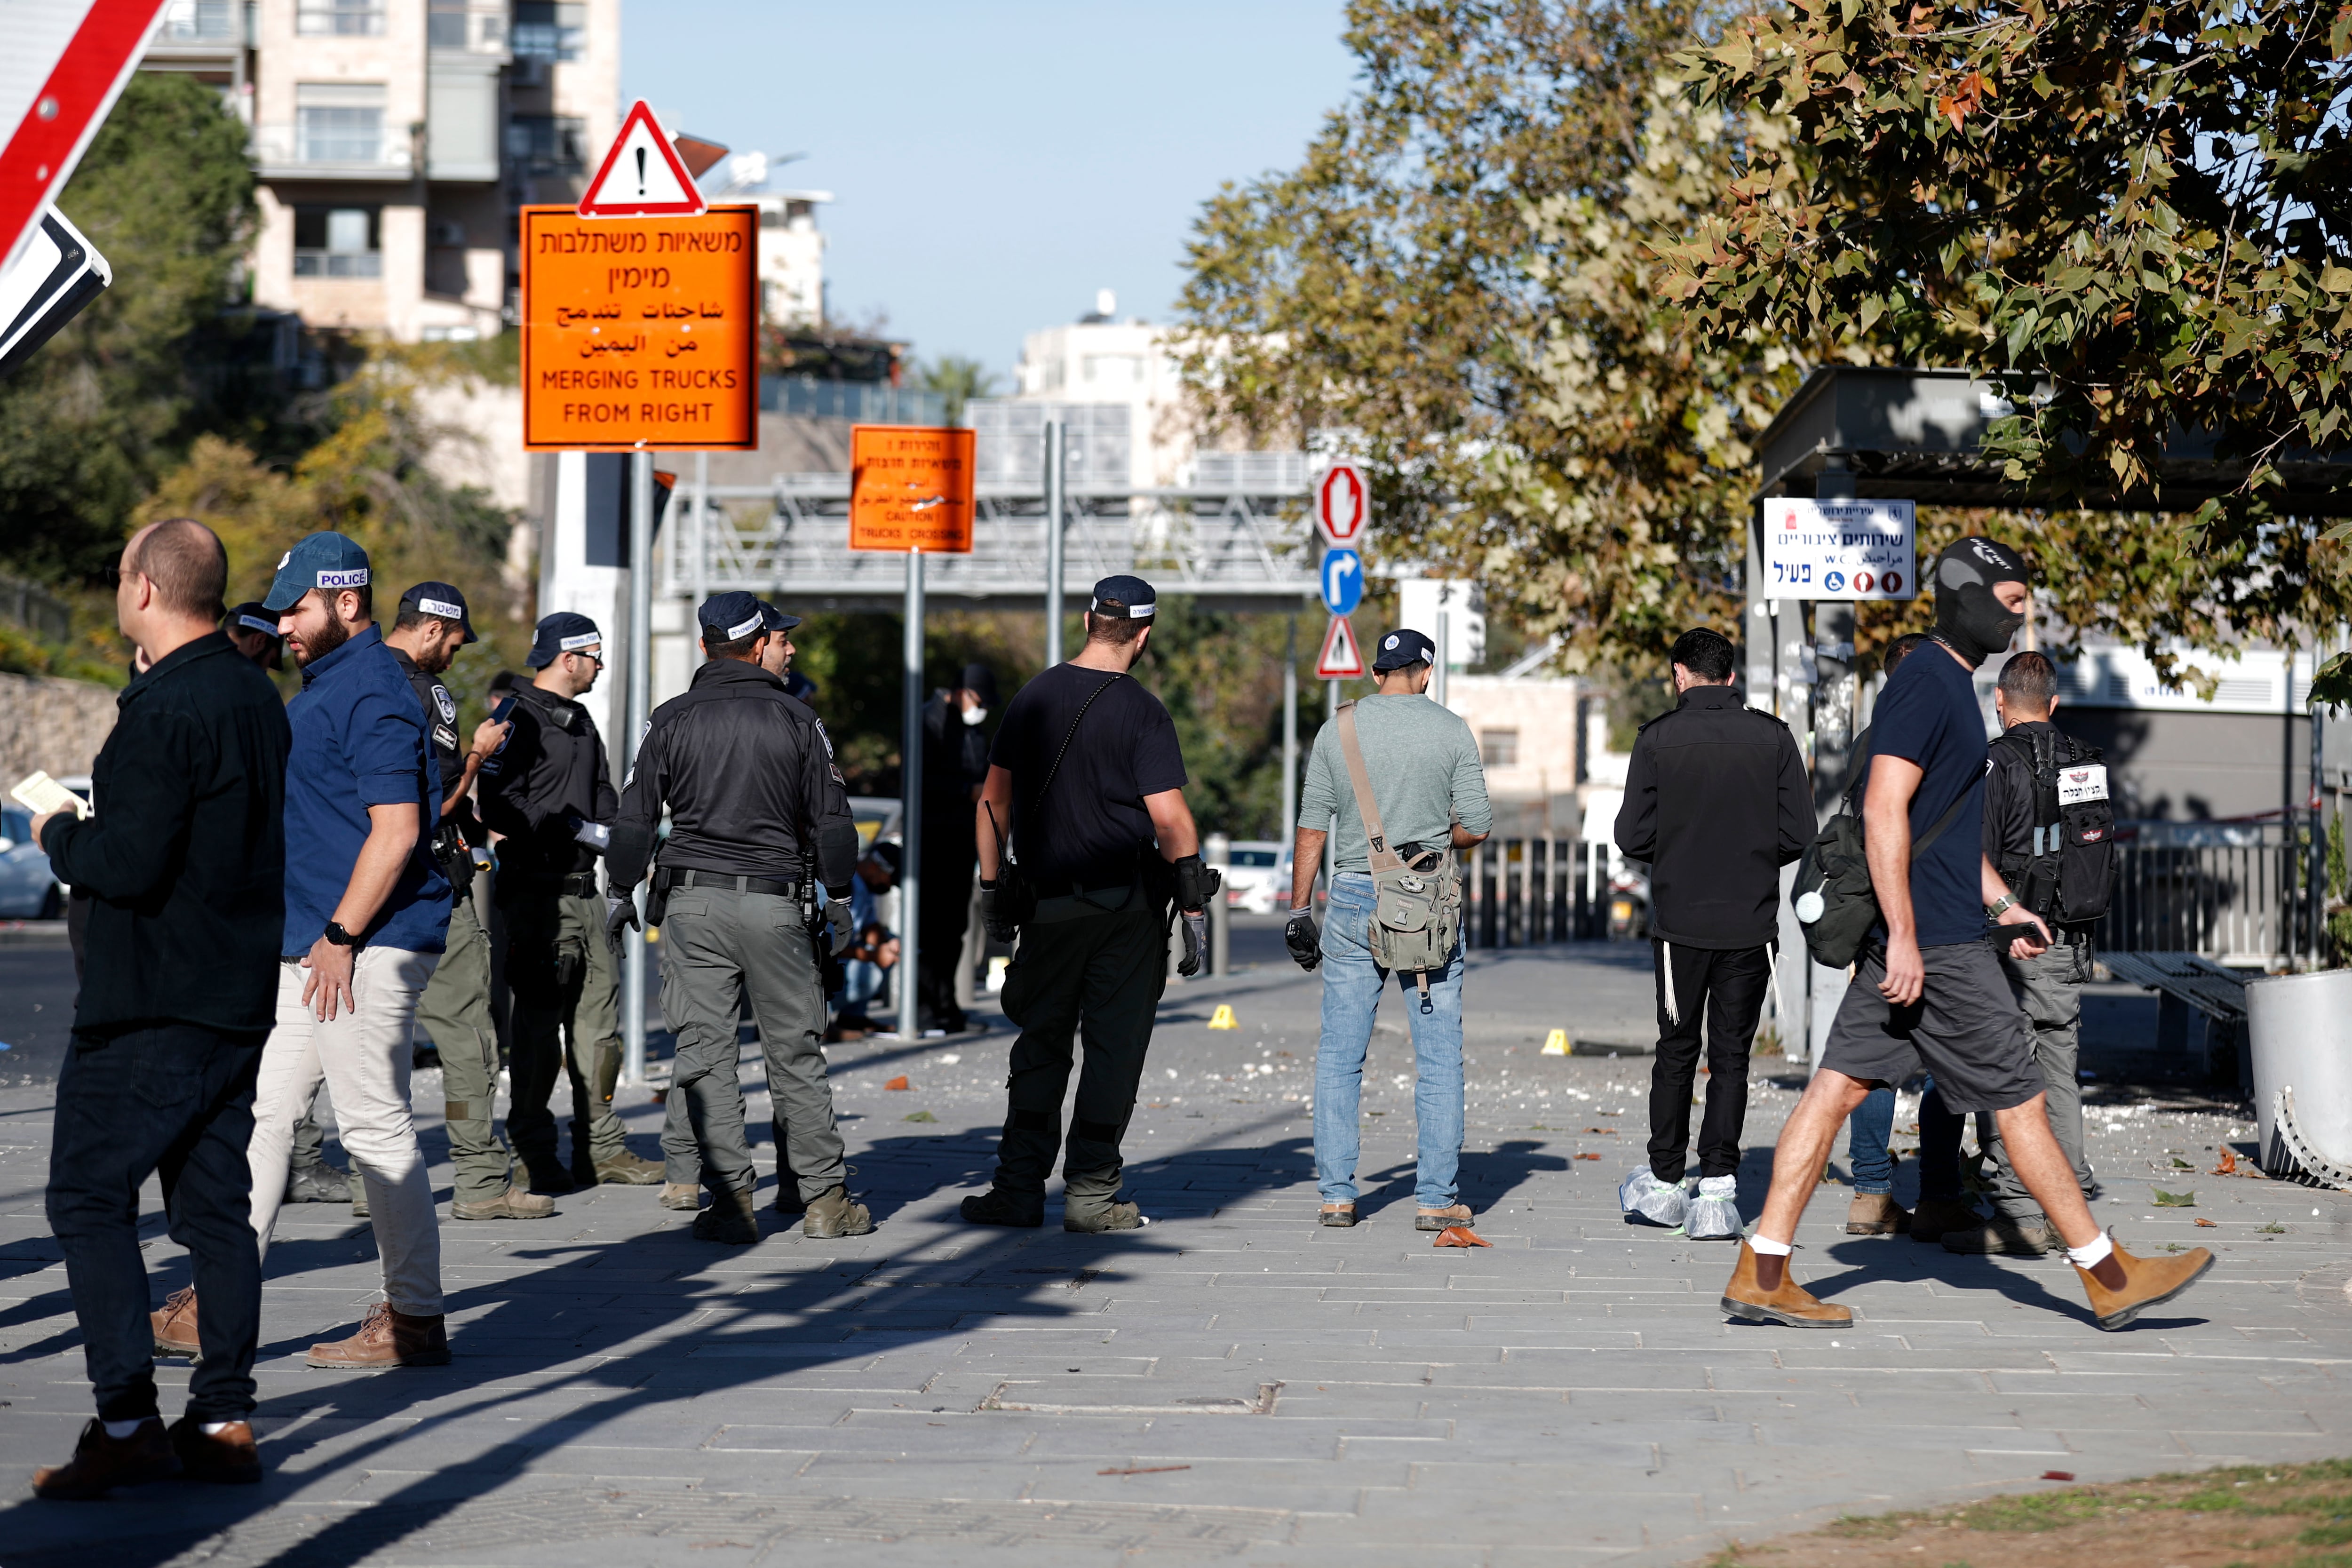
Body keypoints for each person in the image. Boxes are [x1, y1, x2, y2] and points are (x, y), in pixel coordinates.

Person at [1721, 536, 2212, 1333]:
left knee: (1833, 1090)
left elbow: (1945, 831)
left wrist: (2004, 903)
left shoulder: (1953, 684)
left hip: (1939, 930)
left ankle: (1764, 1266)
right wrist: (1910, 935)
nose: (2021, 618)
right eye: (2012, 602)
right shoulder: (1927, 683)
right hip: (1938, 949)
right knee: (2021, 1103)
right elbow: (1884, 810)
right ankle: (2111, 1276)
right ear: (1970, 596)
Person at [158, 530, 456, 1371]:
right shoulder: (328, 686)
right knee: (265, 1117)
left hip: (362, 946)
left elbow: (397, 833)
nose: (284, 622)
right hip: (316, 948)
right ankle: (216, 1306)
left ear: (347, 601)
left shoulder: (373, 692)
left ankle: (415, 1319)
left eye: (297, 607)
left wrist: (340, 937)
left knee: (374, 1124)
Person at [32, 520, 289, 1498]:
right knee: (217, 1212)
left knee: (89, 1197)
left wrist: (60, 830)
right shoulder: (254, 694)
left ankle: (129, 1419)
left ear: (143, 586)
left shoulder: (164, 712)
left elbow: (127, 864)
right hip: (234, 995)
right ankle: (224, 1418)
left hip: (149, 1002)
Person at [608, 591, 867, 1243]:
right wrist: (839, 897)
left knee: (703, 1054)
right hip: (778, 902)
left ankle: (730, 1202)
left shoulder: (668, 720)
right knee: (795, 1053)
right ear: (758, 646)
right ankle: (826, 1202)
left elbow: (634, 818)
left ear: (705, 647)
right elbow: (834, 822)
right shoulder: (798, 721)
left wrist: (618, 891)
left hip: (693, 904)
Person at [965, 574, 1217, 1233]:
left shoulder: (1033, 697)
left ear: (1087, 621)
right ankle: (1092, 1196)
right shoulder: (1142, 710)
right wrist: (1193, 913)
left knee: (1040, 1048)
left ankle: (1018, 1189)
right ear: (1145, 634)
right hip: (1124, 914)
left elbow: (992, 803)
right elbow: (1174, 824)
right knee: (1114, 1052)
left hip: (1047, 911)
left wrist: (994, 890)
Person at [1284, 627, 1491, 1230]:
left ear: (1377, 674)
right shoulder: (1450, 730)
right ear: (1425, 673)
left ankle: (1337, 1196)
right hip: (1424, 907)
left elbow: (1312, 828)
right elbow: (1476, 824)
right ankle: (1433, 1201)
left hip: (1349, 898)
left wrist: (1300, 911)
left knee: (1341, 1055)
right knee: (1437, 1058)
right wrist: (1428, 844)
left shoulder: (1337, 730)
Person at [1613, 626, 1812, 1241]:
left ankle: (1668, 1182)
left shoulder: (1657, 740)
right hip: (1750, 920)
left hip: (1681, 921)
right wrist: (1750, 854)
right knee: (1731, 1056)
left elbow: (1631, 836)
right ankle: (1719, 1191)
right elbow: (1799, 832)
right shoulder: (1773, 738)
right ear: (1730, 675)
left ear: (1680, 674)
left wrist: (1678, 849)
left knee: (1677, 1051)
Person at [478, 612, 662, 1192]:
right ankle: (534, 1150)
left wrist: (622, 839)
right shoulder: (515, 717)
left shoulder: (580, 720)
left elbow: (604, 794)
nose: (600, 665)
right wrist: (568, 829)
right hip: (538, 897)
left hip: (585, 895)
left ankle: (601, 1149)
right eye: (594, 655)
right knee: (536, 1031)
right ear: (567, 657)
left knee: (600, 1031)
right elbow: (499, 803)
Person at [386, 582, 546, 1221]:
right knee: (465, 1032)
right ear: (430, 630)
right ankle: (480, 1178)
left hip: (354, 887)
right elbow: (445, 802)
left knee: (372, 1041)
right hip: (427, 879)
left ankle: (375, 1186)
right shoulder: (431, 695)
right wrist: (478, 750)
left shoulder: (342, 679)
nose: (453, 656)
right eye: (453, 642)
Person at [1938, 648, 2104, 1255]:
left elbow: (1968, 856)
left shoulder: (1991, 762)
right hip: (2066, 941)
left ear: (1999, 702)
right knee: (2060, 1069)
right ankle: (2068, 1209)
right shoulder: (2085, 761)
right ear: (2053, 704)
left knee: (2006, 1072)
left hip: (2006, 940)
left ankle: (2017, 1211)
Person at [221, 600, 357, 1209]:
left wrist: (339, 932)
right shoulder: (262, 699)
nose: (279, 641)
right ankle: (221, 1293)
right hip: (289, 927)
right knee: (273, 1107)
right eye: (270, 635)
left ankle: (411, 1299)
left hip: (315, 932)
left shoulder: (319, 699)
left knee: (366, 1124)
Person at [916, 662, 996, 1034]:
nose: (980, 709)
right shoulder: (929, 723)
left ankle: (947, 1006)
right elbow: (920, 782)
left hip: (960, 840)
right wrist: (967, 792)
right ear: (963, 692)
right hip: (933, 840)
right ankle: (927, 1009)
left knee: (954, 928)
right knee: (932, 930)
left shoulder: (971, 729)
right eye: (978, 700)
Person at [831, 839, 901, 1039]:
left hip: (835, 953)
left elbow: (871, 925)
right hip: (815, 959)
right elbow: (827, 945)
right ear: (873, 867)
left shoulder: (863, 888)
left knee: (890, 945)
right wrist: (874, 956)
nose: (888, 885)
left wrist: (886, 944)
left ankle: (853, 1017)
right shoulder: (844, 885)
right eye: (888, 878)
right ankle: (819, 1024)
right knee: (868, 974)